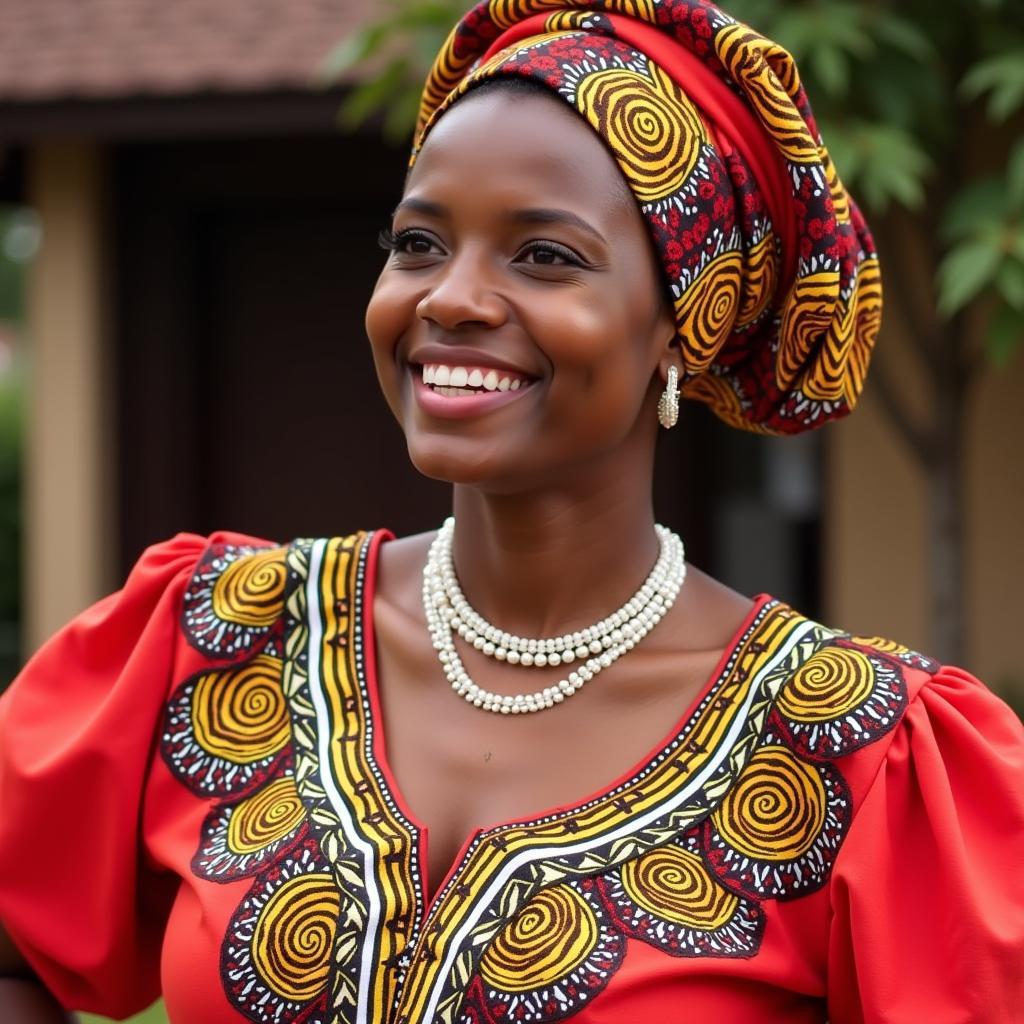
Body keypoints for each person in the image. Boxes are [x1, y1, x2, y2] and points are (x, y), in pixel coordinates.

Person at [2, 2, 1023, 1022]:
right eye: (417, 242)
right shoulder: (227, 636)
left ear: (681, 328)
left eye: (544, 255)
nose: (450, 297)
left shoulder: (846, 753)